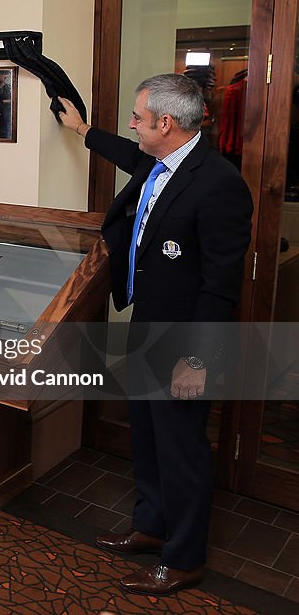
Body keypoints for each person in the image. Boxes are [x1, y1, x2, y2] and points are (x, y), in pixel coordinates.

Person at [57, 73, 252, 597]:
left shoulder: (219, 184)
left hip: (186, 338)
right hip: (148, 324)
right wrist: (82, 130)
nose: (133, 124)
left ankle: (184, 559)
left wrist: (198, 359)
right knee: (146, 432)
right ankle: (151, 526)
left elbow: (220, 287)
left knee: (181, 447)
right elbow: (126, 152)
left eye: (139, 117)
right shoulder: (158, 164)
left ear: (165, 123)